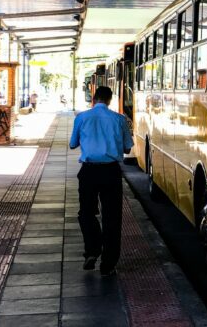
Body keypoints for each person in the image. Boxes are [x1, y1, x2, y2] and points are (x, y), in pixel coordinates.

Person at [69, 86, 134, 276]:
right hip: (111, 172)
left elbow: (73, 144)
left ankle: (92, 250)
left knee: (86, 213)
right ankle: (108, 264)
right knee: (112, 217)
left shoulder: (81, 117)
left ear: (94, 99)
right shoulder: (119, 119)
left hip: (88, 172)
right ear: (110, 100)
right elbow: (128, 149)